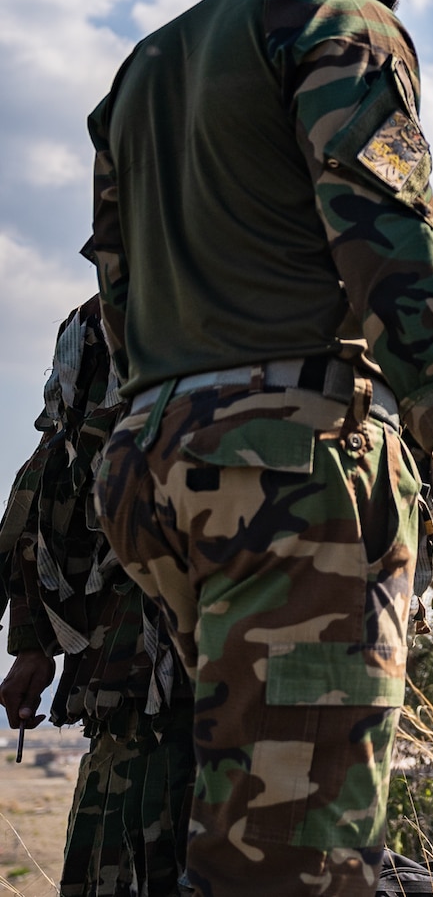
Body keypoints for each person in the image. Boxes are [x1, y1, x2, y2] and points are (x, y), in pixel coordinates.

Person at [86, 0, 433, 897]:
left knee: (246, 822)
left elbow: (115, 284)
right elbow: (387, 231)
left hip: (155, 460)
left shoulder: (146, 66)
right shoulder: (337, 22)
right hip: (293, 467)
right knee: (301, 858)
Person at [0, 294, 194, 896]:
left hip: (169, 683)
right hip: (141, 677)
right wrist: (34, 643)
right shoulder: (107, 318)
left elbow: (54, 476)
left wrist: (34, 645)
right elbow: (59, 472)